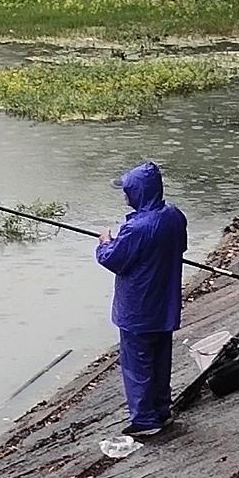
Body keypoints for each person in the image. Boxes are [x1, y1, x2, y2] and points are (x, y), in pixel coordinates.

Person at [96, 161, 188, 438]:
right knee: (160, 361)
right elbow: (180, 246)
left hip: (138, 309)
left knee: (137, 365)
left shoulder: (136, 228)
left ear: (138, 192)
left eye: (127, 190)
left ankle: (146, 420)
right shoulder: (174, 216)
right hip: (164, 305)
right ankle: (162, 411)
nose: (124, 195)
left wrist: (104, 242)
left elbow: (113, 259)